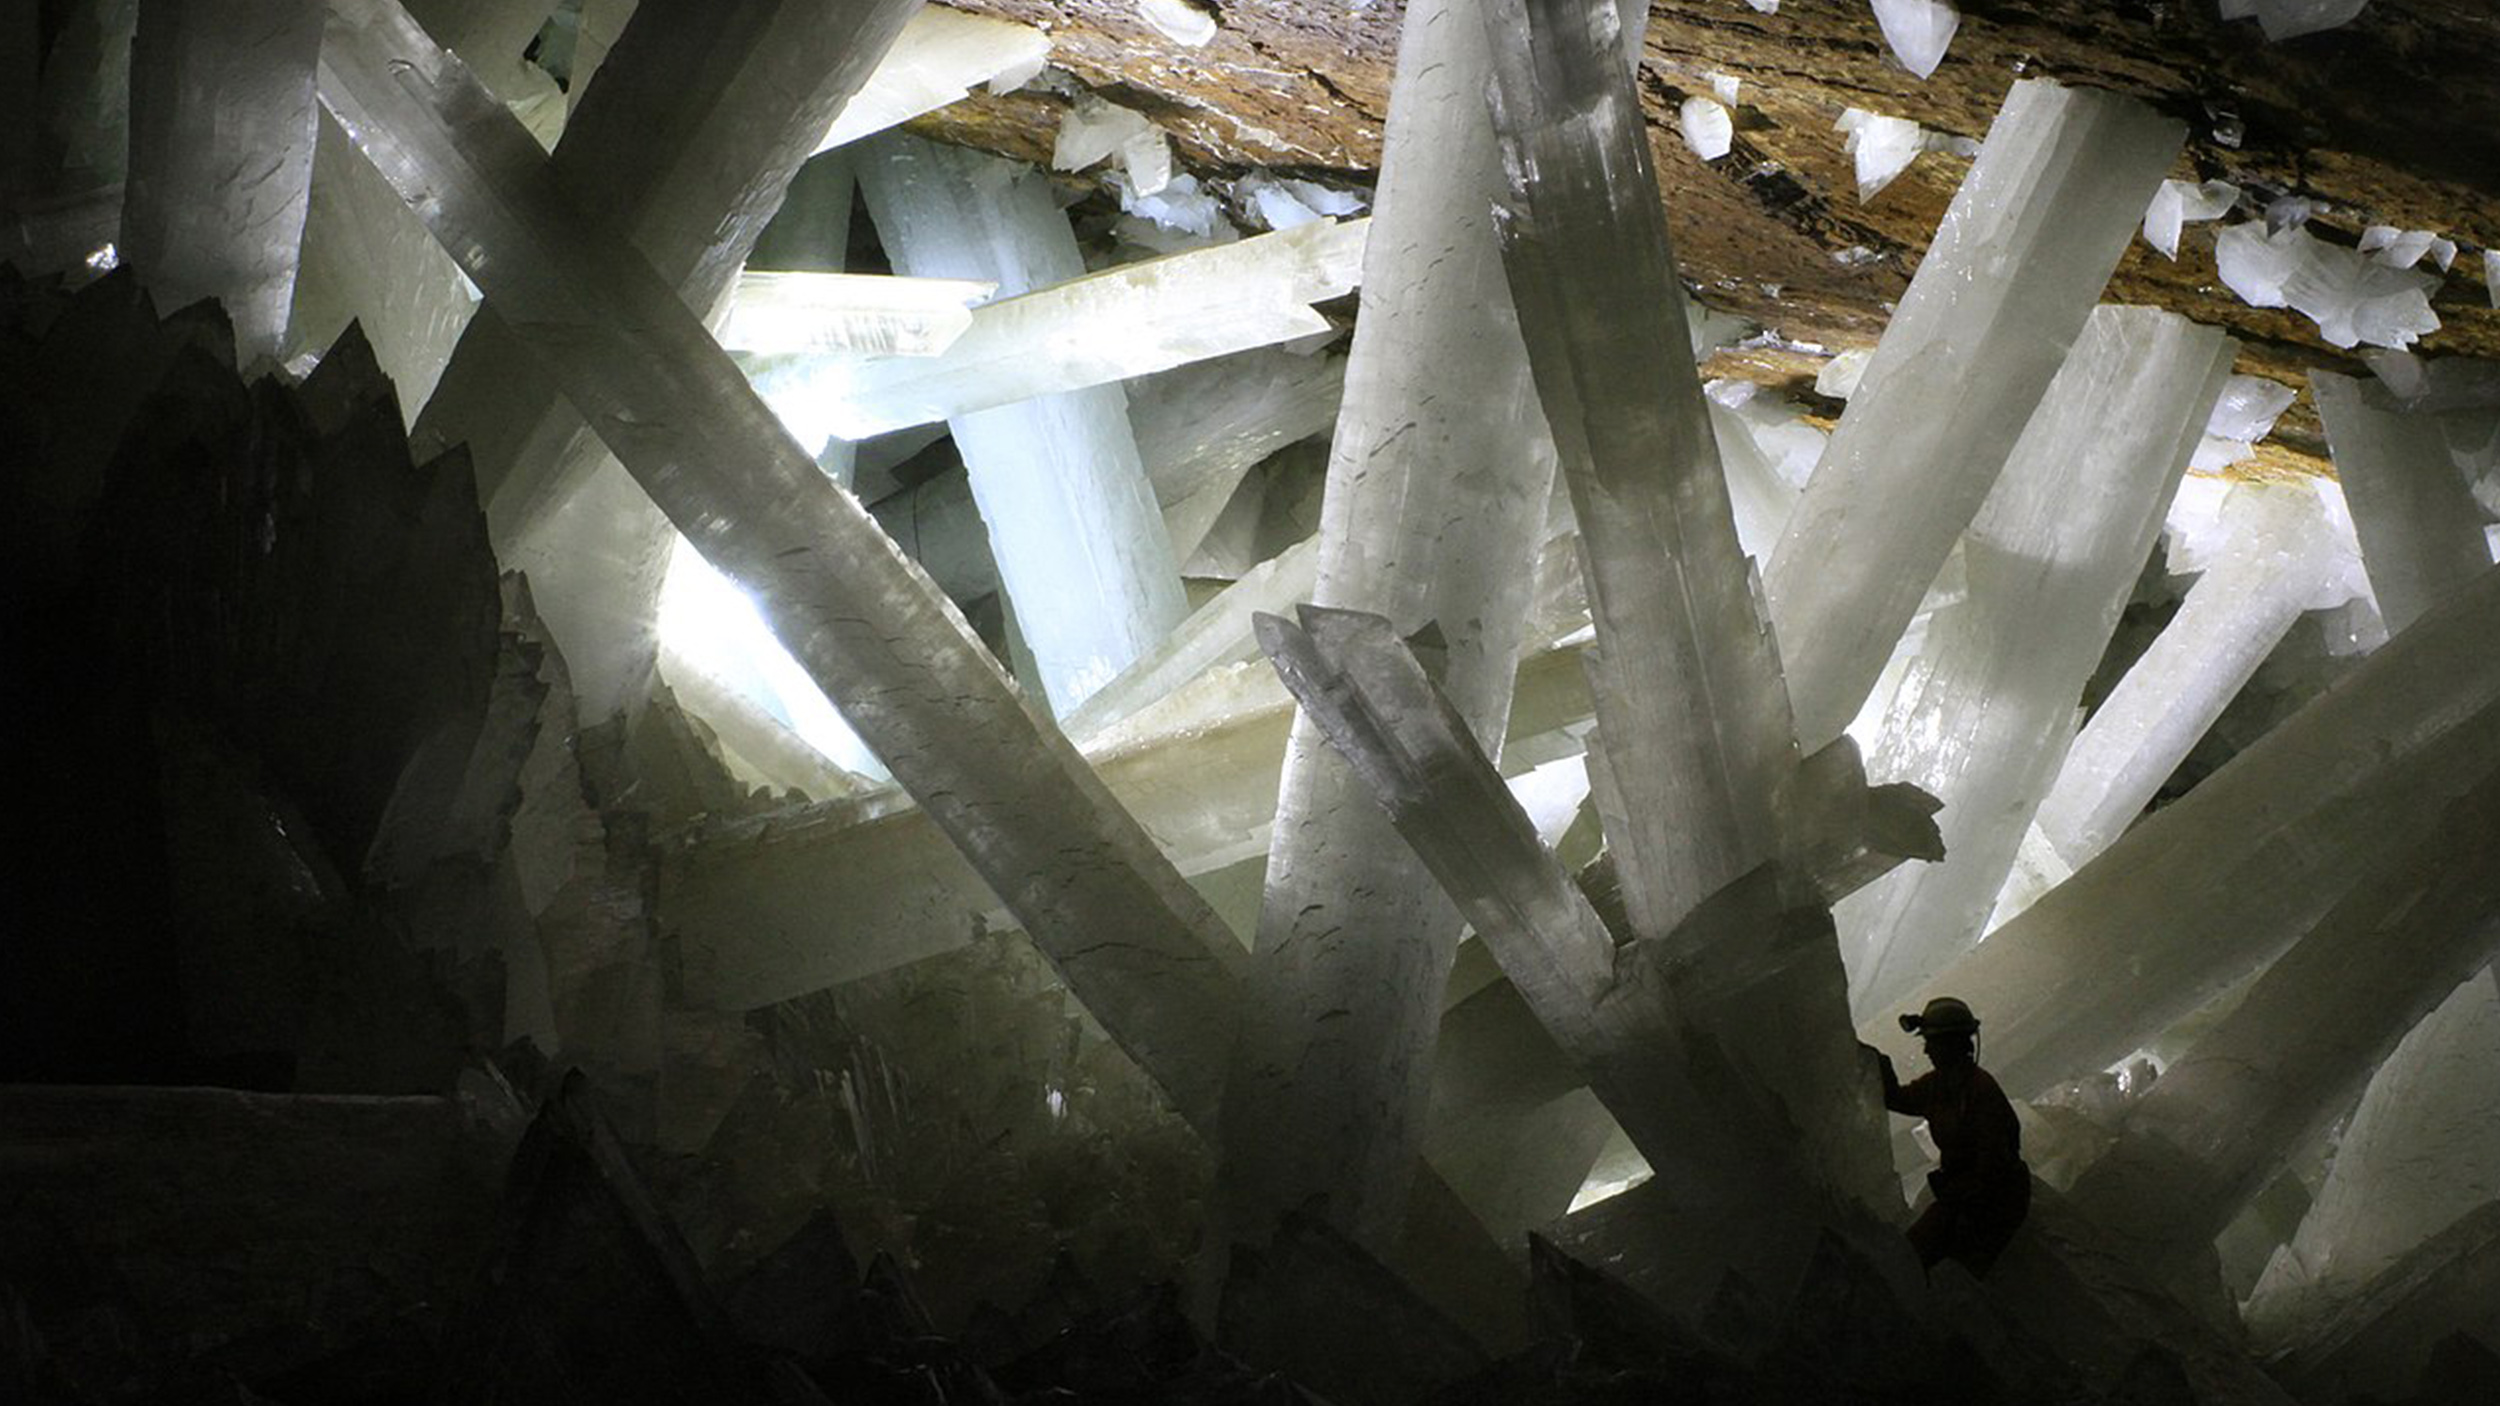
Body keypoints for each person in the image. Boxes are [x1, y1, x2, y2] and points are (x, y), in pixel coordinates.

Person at [1876, 996, 2031, 1277]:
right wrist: (1878, 1064)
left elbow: (1994, 1162)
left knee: (1946, 1268)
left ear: (1952, 1045)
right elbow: (1898, 1099)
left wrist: (1959, 1202)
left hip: (1996, 1199)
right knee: (1912, 1258)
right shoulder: (1937, 1085)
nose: (1926, 1051)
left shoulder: (1980, 1090)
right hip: (1964, 1195)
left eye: (1931, 1043)